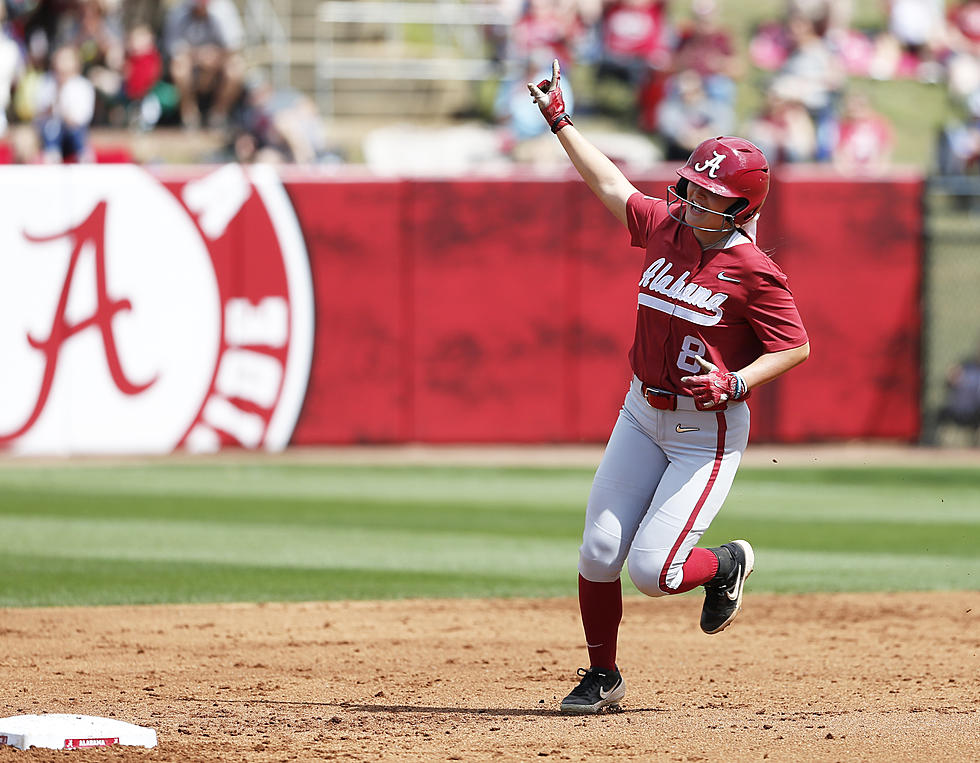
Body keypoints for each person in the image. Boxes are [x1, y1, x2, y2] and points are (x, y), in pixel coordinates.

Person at [527, 60, 810, 714]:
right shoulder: (668, 227)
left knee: (655, 572)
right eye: (691, 189)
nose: (692, 202)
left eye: (709, 197)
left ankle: (728, 562)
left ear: (741, 207)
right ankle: (603, 676)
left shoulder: (753, 270)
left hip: (702, 435)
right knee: (599, 549)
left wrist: (738, 381)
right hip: (639, 412)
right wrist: (559, 121)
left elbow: (795, 345)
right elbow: (609, 182)